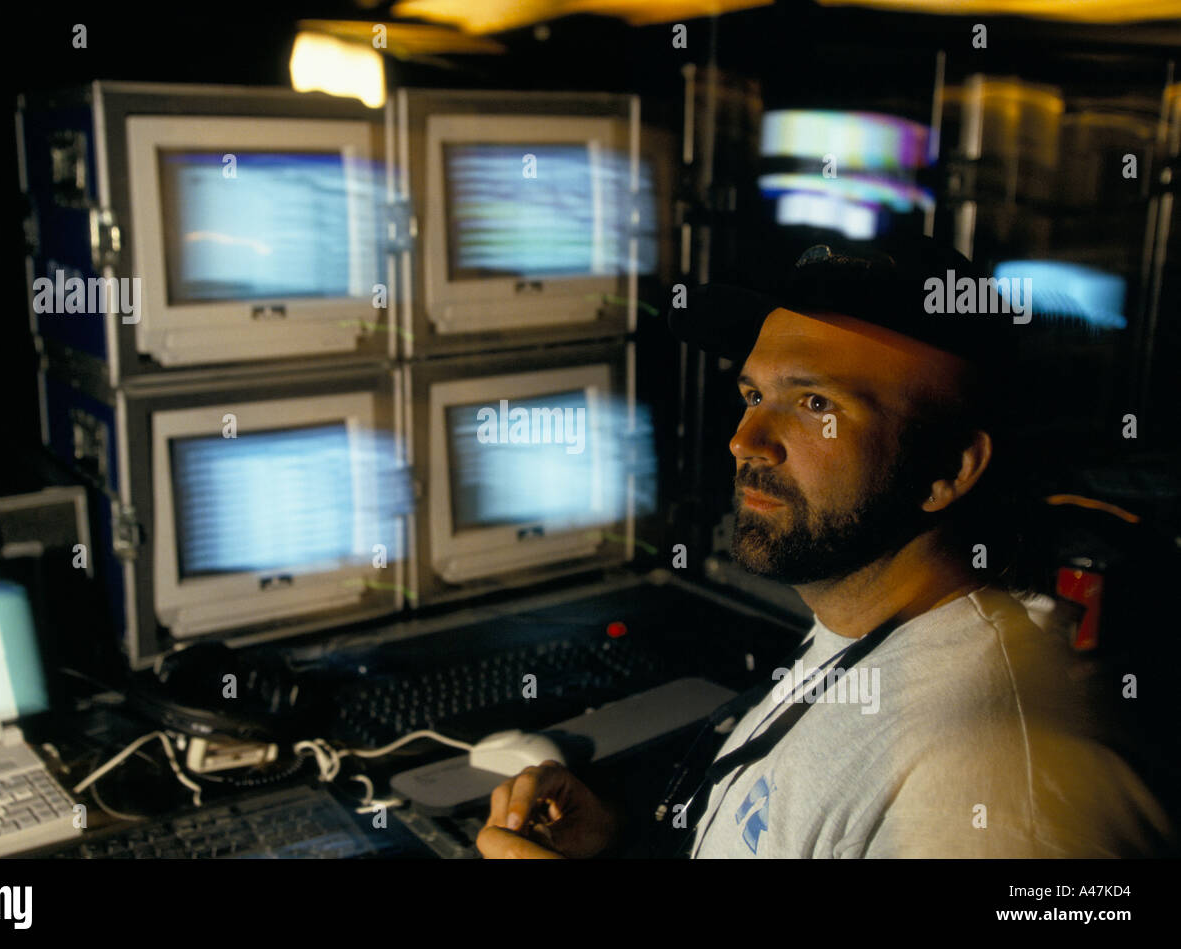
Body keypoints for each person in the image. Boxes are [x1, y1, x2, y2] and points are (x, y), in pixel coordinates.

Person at [477, 237, 1173, 858]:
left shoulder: (993, 789)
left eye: (817, 405)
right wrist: (619, 835)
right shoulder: (860, 629)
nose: (745, 439)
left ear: (949, 469)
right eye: (754, 392)